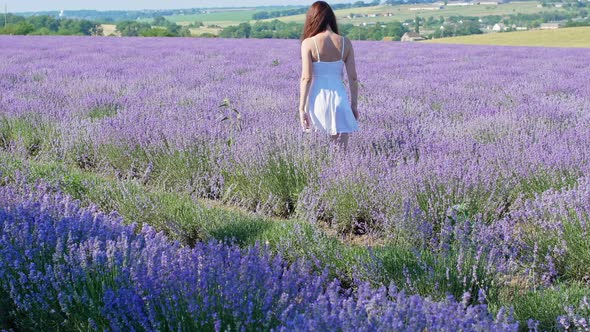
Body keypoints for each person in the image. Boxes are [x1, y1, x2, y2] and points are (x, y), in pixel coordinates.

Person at [298, 1, 359, 149]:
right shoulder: (345, 42)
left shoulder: (308, 43)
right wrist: (354, 106)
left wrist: (301, 108)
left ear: (312, 18)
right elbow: (353, 78)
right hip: (340, 100)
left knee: (315, 151)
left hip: (317, 101)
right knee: (341, 153)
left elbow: (306, 78)